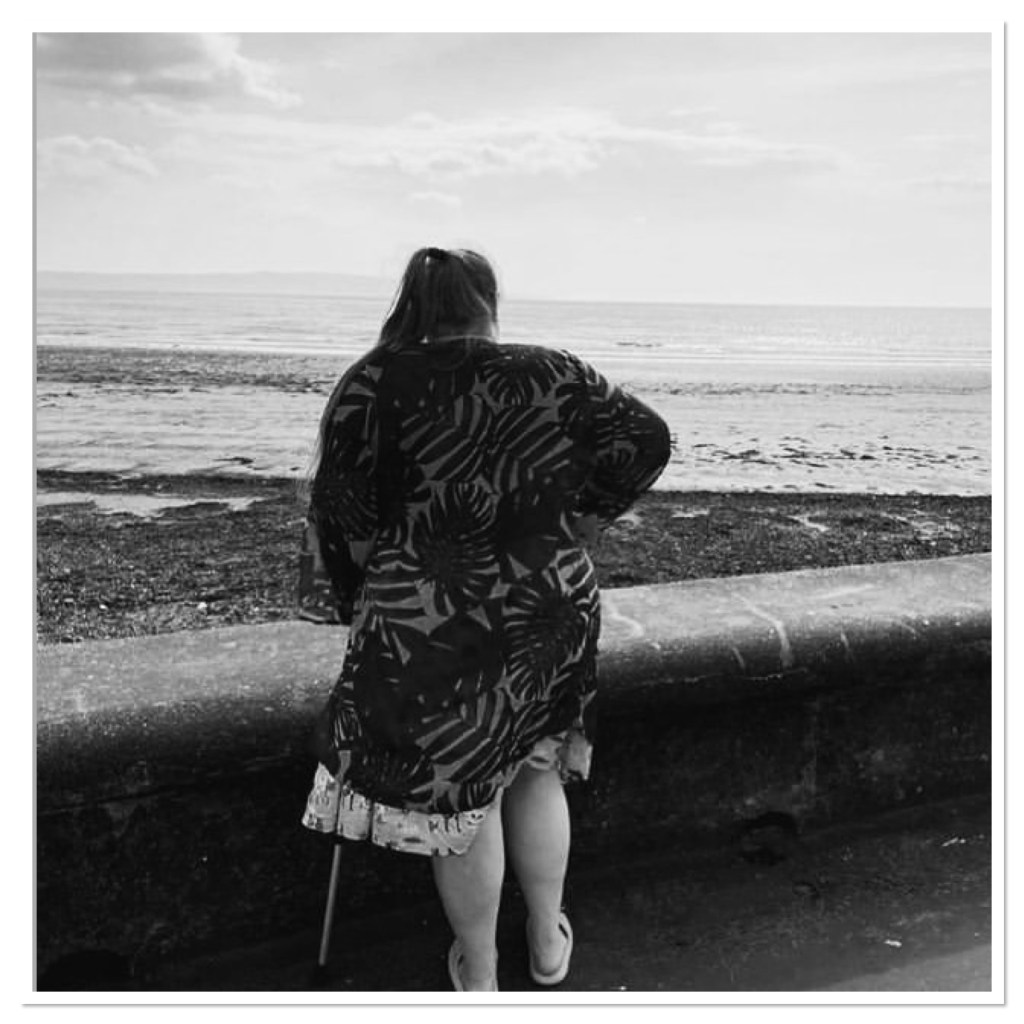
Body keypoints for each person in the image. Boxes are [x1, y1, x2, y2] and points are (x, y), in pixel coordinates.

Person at [300, 246, 670, 991]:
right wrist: (587, 516)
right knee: (535, 771)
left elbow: (344, 514)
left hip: (431, 616)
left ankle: (480, 970)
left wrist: (368, 591)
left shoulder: (373, 380)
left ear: (411, 303)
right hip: (550, 604)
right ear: (486, 303)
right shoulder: (554, 371)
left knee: (460, 800)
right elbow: (648, 440)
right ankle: (546, 941)